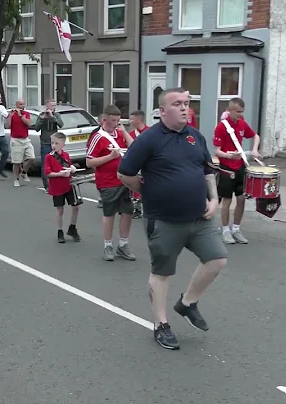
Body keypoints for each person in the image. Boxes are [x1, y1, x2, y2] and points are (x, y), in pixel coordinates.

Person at [117, 87, 228, 350]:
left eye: (186, 103)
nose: (184, 108)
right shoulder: (149, 139)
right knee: (162, 273)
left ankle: (187, 303)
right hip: (164, 219)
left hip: (198, 218)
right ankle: (161, 325)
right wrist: (150, 191)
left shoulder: (195, 138)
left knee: (217, 259)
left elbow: (207, 170)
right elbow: (125, 173)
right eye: (177, 103)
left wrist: (213, 199)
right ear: (162, 111)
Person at [86, 105, 136, 262]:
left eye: (118, 120)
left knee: (127, 212)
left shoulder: (120, 134)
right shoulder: (98, 137)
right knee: (109, 214)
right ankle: (107, 246)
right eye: (113, 120)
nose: (115, 123)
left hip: (125, 180)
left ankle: (123, 245)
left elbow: (135, 147)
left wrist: (125, 132)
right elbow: (89, 162)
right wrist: (109, 157)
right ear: (104, 120)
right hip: (107, 182)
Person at [213, 97, 261, 244]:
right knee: (227, 201)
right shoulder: (221, 127)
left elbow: (255, 136)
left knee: (241, 199)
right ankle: (226, 231)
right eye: (238, 112)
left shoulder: (242, 123)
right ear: (230, 110)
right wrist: (228, 155)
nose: (240, 115)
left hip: (240, 167)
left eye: (242, 112)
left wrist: (254, 149)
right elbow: (216, 151)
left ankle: (236, 229)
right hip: (227, 169)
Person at [44, 132, 81, 243]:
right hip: (57, 187)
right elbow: (48, 173)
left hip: (69, 185)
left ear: (63, 145)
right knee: (60, 210)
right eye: (52, 143)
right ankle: (60, 231)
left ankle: (72, 228)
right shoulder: (49, 157)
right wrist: (60, 174)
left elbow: (68, 166)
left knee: (76, 206)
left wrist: (72, 168)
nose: (53, 145)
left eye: (56, 143)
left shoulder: (66, 155)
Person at [35, 99, 64, 191]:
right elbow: (36, 128)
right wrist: (42, 119)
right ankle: (47, 186)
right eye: (52, 106)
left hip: (55, 143)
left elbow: (61, 125)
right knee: (45, 164)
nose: (54, 107)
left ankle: (56, 183)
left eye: (55, 106)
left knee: (57, 163)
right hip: (45, 143)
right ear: (47, 106)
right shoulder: (41, 115)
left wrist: (52, 117)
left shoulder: (57, 115)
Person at [8, 99, 34, 187]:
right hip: (16, 140)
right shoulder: (13, 114)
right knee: (17, 162)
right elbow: (7, 125)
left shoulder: (26, 114)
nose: (22, 106)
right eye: (20, 104)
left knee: (31, 157)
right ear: (16, 105)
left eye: (23, 104)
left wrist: (21, 116)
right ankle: (16, 179)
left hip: (25, 139)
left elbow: (29, 123)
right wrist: (10, 116)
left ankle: (24, 172)